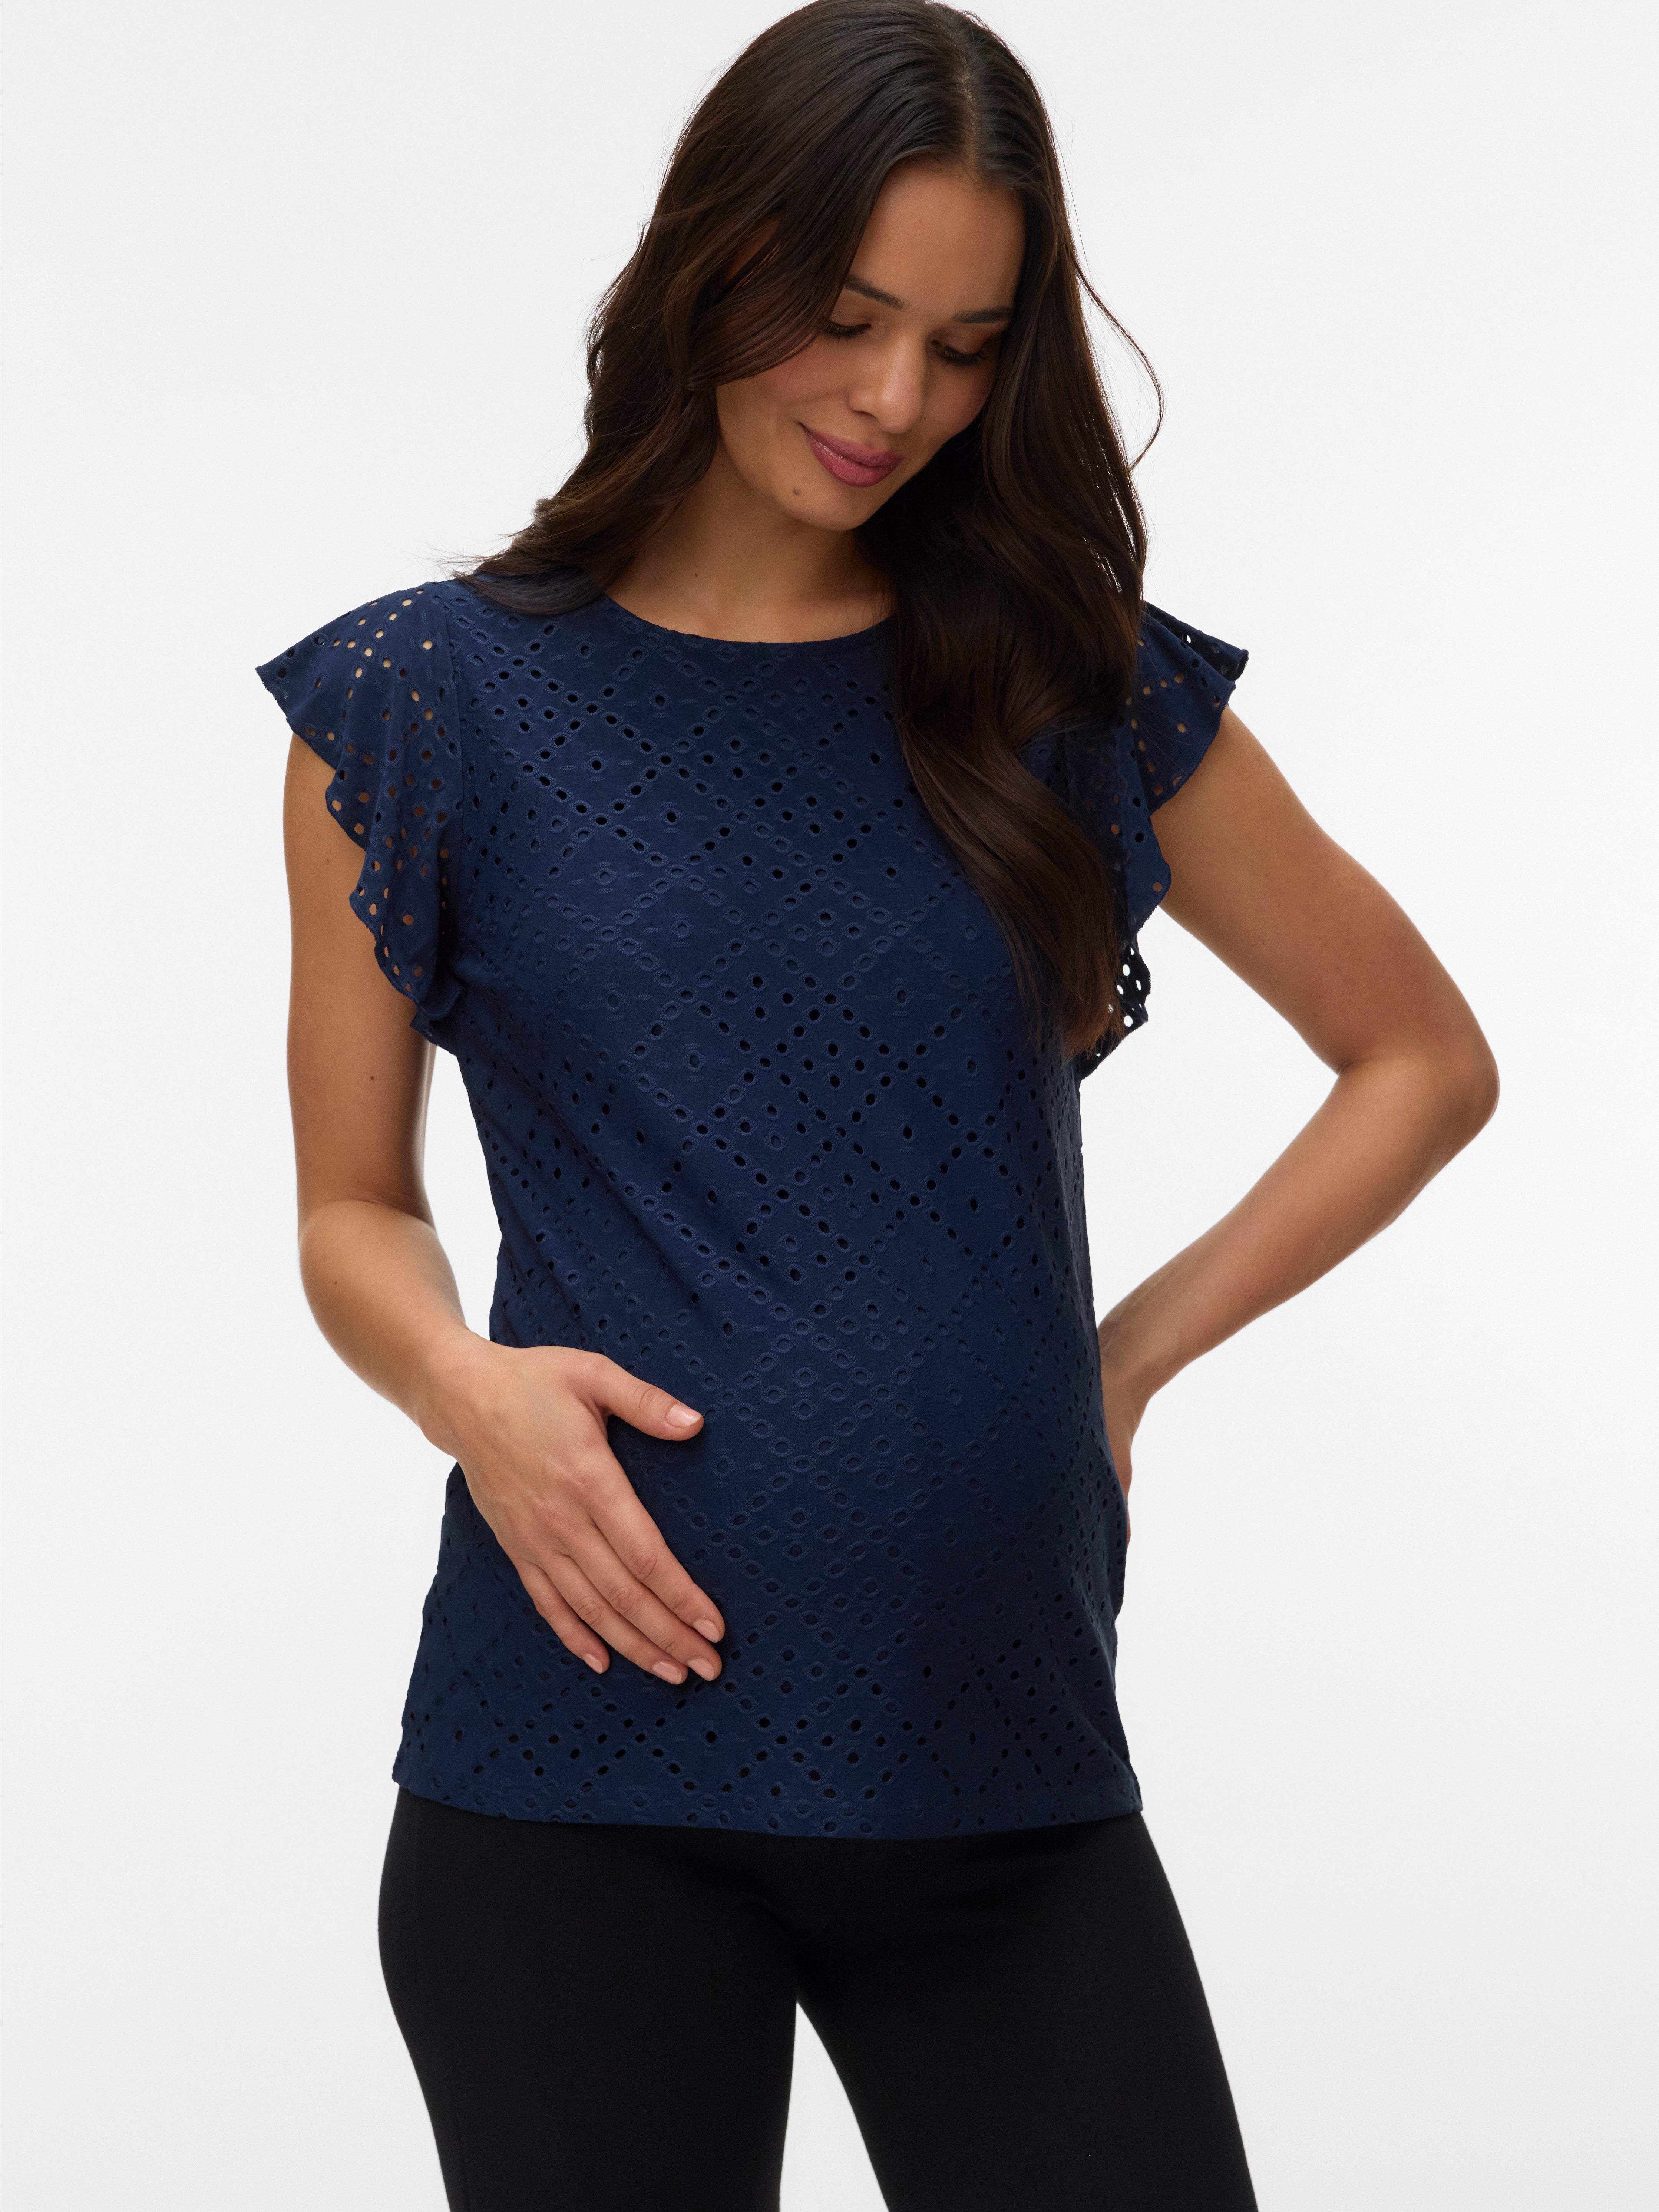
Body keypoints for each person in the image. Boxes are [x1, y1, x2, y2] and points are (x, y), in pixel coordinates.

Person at [255, 3, 1497, 2205]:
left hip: (996, 1748)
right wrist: (467, 1388)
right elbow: (353, 1205)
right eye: (845, 320)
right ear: (711, 261)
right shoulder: (430, 699)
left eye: (964, 346)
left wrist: (1121, 1359)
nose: (895, 400)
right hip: (571, 1783)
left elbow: (1419, 1058)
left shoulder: (1065, 683)